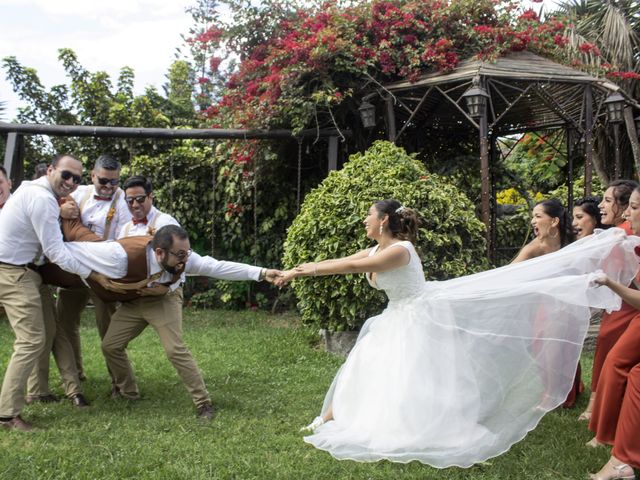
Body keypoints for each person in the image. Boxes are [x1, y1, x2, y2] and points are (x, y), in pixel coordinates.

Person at [276, 199, 640, 467]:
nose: (364, 219)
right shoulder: (378, 246)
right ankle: (331, 417)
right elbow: (345, 259)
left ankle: (406, 423)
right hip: (395, 316)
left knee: (411, 376)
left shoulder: (400, 251)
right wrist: (295, 269)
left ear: (384, 220)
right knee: (366, 364)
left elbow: (354, 266)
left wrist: (304, 273)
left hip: (416, 317)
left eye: (368, 215)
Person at [39, 220, 283, 419]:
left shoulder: (184, 259)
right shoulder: (117, 256)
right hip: (135, 303)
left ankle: (203, 403)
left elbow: (217, 266)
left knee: (174, 349)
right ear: (159, 252)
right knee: (110, 345)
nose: (184, 260)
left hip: (164, 300)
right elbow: (67, 250)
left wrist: (260, 273)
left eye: (186, 253)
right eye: (179, 255)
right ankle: (128, 392)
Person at [0, 154, 114, 431]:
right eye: (66, 175)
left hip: (30, 272)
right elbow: (55, 251)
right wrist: (92, 273)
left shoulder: (33, 189)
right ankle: (6, 415)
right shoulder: (41, 199)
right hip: (13, 272)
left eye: (76, 177)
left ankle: (38, 391)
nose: (71, 182)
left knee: (49, 331)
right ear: (51, 170)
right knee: (30, 341)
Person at [53, 154, 130, 383]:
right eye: (104, 181)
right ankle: (76, 375)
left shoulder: (123, 200)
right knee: (66, 323)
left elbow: (125, 237)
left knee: (109, 329)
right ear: (93, 176)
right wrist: (61, 210)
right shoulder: (78, 193)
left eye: (114, 182)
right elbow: (48, 204)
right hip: (73, 269)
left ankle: (118, 381)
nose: (109, 187)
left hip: (102, 274)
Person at [586, 185, 640, 459]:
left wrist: (609, 283)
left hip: (633, 310)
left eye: (634, 207)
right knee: (615, 361)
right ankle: (606, 431)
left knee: (618, 363)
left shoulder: (629, 235)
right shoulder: (627, 236)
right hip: (629, 307)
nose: (629, 213)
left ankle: (609, 437)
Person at [511, 198, 573, 264]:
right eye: (533, 217)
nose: (532, 221)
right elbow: (509, 271)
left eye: (538, 216)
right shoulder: (531, 250)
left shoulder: (572, 241)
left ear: (554, 221)